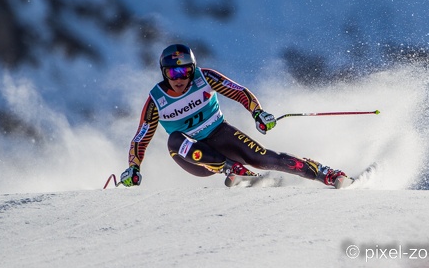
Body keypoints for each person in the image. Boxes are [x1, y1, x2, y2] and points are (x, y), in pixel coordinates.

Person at [120, 44, 352, 188]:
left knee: (264, 158)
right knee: (174, 140)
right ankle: (230, 168)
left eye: (185, 71)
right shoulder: (156, 100)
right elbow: (141, 139)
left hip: (221, 134)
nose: (179, 78)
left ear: (193, 69)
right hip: (194, 155)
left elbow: (239, 92)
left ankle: (325, 173)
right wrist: (134, 168)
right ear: (164, 73)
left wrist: (258, 113)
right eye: (173, 72)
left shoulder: (205, 78)